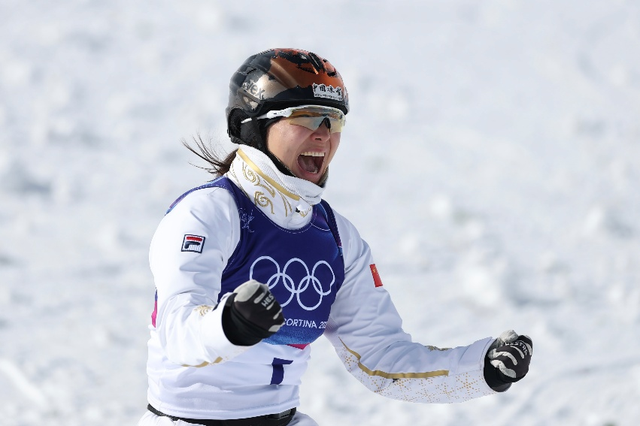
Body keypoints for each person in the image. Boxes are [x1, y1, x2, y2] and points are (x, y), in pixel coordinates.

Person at [139, 48, 533, 426]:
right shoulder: (210, 212)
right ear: (251, 125)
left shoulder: (336, 237)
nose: (324, 135)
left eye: (334, 120)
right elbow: (177, 328)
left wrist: (481, 368)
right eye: (307, 117)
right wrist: (230, 324)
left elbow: (381, 357)